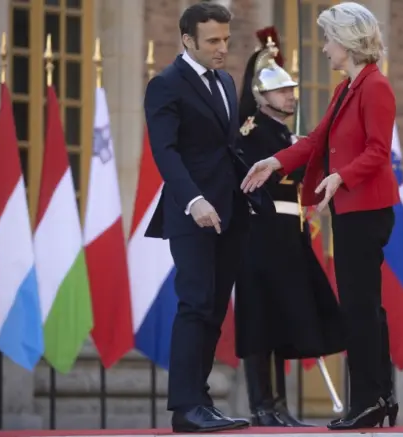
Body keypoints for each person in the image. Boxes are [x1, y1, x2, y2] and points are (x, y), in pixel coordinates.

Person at [240, 2, 399, 431]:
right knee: (362, 307)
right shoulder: (345, 89)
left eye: (329, 39)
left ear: (347, 41)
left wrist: (340, 177)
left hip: (366, 209)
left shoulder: (375, 87)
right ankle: (379, 396)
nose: (325, 48)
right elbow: (314, 141)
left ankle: (369, 400)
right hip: (349, 208)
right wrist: (275, 162)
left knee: (359, 308)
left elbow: (378, 151)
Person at [143, 3, 273, 433]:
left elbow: (225, 148)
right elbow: (166, 152)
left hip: (230, 212)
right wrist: (194, 200)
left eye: (226, 39)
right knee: (195, 303)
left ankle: (201, 401)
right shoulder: (165, 85)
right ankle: (184, 407)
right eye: (213, 41)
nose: (222, 48)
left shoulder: (224, 80)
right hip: (192, 213)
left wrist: (253, 185)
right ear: (187, 41)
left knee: (216, 309)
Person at [234, 27, 346, 427]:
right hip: (259, 239)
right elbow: (248, 185)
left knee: (285, 318)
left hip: (289, 238)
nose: (290, 96)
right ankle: (262, 405)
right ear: (261, 96)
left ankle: (279, 405)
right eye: (281, 91)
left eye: (290, 90)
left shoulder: (285, 135)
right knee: (259, 323)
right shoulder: (250, 134)